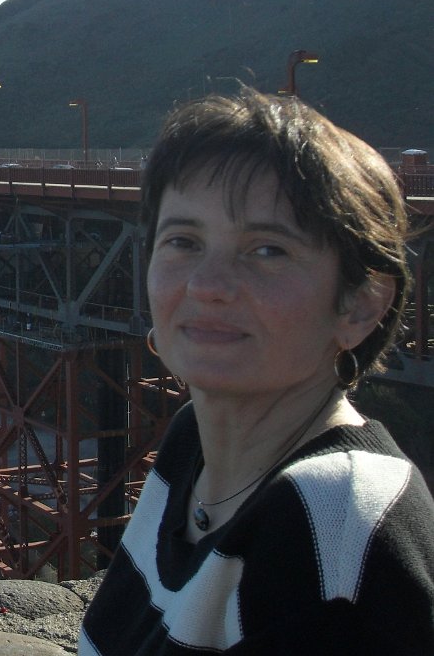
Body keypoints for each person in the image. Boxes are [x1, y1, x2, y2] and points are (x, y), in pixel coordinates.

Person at [79, 87, 434, 655]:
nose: (207, 285)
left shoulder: (337, 520)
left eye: (267, 250)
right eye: (183, 241)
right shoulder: (190, 443)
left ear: (360, 306)